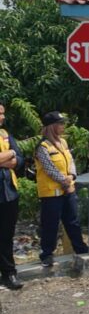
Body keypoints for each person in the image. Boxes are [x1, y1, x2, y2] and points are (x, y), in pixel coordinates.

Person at [35, 111, 89, 267]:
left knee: (73, 222)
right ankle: (47, 255)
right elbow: (49, 168)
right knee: (50, 225)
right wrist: (63, 180)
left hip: (67, 189)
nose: (63, 126)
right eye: (60, 123)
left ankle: (81, 249)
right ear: (52, 127)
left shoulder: (63, 143)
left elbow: (70, 162)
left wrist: (71, 177)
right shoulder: (42, 147)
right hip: (51, 193)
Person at [0, 102, 24, 290]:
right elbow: (13, 154)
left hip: (8, 193)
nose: (2, 117)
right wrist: (9, 154)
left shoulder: (5, 135)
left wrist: (12, 156)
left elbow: (20, 158)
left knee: (6, 236)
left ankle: (9, 273)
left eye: (3, 114)